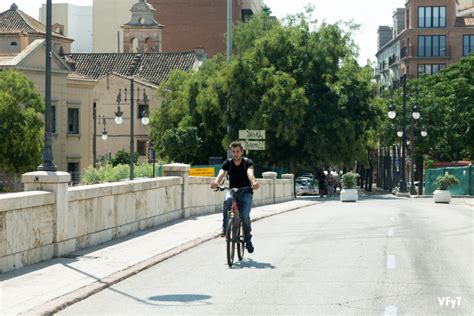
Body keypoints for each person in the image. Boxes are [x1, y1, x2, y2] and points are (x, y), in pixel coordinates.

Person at [211, 141, 260, 253]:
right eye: (233, 152)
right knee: (227, 200)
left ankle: (248, 240)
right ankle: (225, 228)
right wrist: (216, 182)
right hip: (232, 191)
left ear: (242, 151)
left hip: (246, 191)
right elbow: (222, 173)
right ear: (231, 152)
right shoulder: (227, 163)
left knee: (244, 216)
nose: (236, 153)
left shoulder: (247, 162)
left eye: (238, 151)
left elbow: (250, 173)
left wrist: (253, 182)